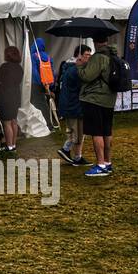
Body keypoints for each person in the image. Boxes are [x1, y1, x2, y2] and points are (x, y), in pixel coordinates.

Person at [77, 34, 118, 177]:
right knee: (107, 132)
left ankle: (100, 164)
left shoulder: (98, 57)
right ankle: (107, 162)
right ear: (106, 41)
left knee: (97, 132)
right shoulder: (113, 56)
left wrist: (80, 66)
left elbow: (87, 76)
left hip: (95, 99)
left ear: (96, 42)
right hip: (110, 99)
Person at [57, 45, 91, 166]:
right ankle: (67, 151)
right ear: (79, 56)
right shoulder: (75, 70)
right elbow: (84, 86)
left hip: (71, 105)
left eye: (90, 55)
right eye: (87, 55)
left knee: (77, 132)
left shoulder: (71, 67)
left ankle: (75, 156)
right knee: (77, 133)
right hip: (73, 106)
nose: (89, 58)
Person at [0, 46, 24, 152]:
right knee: (14, 121)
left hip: (5, 97)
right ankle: (13, 144)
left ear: (8, 54)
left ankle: (9, 146)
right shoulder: (19, 68)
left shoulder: (4, 66)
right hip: (16, 96)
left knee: (6, 123)